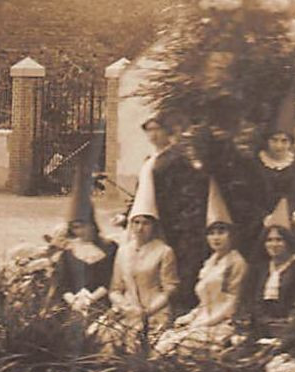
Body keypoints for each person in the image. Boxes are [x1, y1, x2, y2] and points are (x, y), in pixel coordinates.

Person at [154, 183, 248, 356]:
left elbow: (231, 304)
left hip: (222, 325)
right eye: (211, 233)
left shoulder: (236, 262)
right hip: (203, 321)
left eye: (221, 232)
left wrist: (202, 323)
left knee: (178, 347)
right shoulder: (210, 263)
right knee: (162, 340)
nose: (216, 237)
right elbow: (205, 302)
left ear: (231, 235)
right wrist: (191, 316)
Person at [139, 115, 207, 314]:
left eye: (157, 129)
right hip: (152, 218)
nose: (153, 134)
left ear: (168, 132)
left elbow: (185, 192)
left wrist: (182, 221)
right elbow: (142, 193)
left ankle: (177, 306)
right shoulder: (150, 159)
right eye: (149, 130)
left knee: (175, 263)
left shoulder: (176, 158)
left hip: (173, 222)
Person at [104, 190, 180, 352]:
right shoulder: (123, 251)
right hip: (127, 309)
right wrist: (126, 307)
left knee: (144, 345)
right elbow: (115, 289)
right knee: (104, 339)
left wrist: (147, 311)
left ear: (154, 226)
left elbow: (170, 288)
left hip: (155, 311)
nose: (140, 228)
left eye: (146, 223)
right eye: (136, 222)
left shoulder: (164, 251)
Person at [254, 222, 295, 335]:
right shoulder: (261, 270)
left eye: (279, 240)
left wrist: (286, 324)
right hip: (262, 329)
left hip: (291, 331)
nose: (274, 244)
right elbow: (255, 303)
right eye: (269, 240)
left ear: (289, 242)